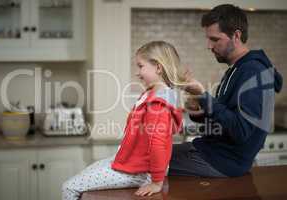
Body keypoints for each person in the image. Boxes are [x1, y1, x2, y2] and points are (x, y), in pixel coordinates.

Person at [168, 4, 283, 178]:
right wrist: (198, 105)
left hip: (222, 162)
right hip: (210, 151)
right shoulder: (236, 68)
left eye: (215, 39)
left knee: (143, 162)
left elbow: (241, 131)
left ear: (236, 36)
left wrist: (204, 96)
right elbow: (225, 118)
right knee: (145, 154)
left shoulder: (253, 71)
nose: (209, 46)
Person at [62, 41, 187, 199]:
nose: (137, 72)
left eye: (140, 66)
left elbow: (158, 144)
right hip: (132, 164)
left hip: (140, 171)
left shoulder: (158, 104)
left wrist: (156, 182)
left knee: (69, 187)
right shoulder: (151, 94)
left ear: (158, 67)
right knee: (85, 174)